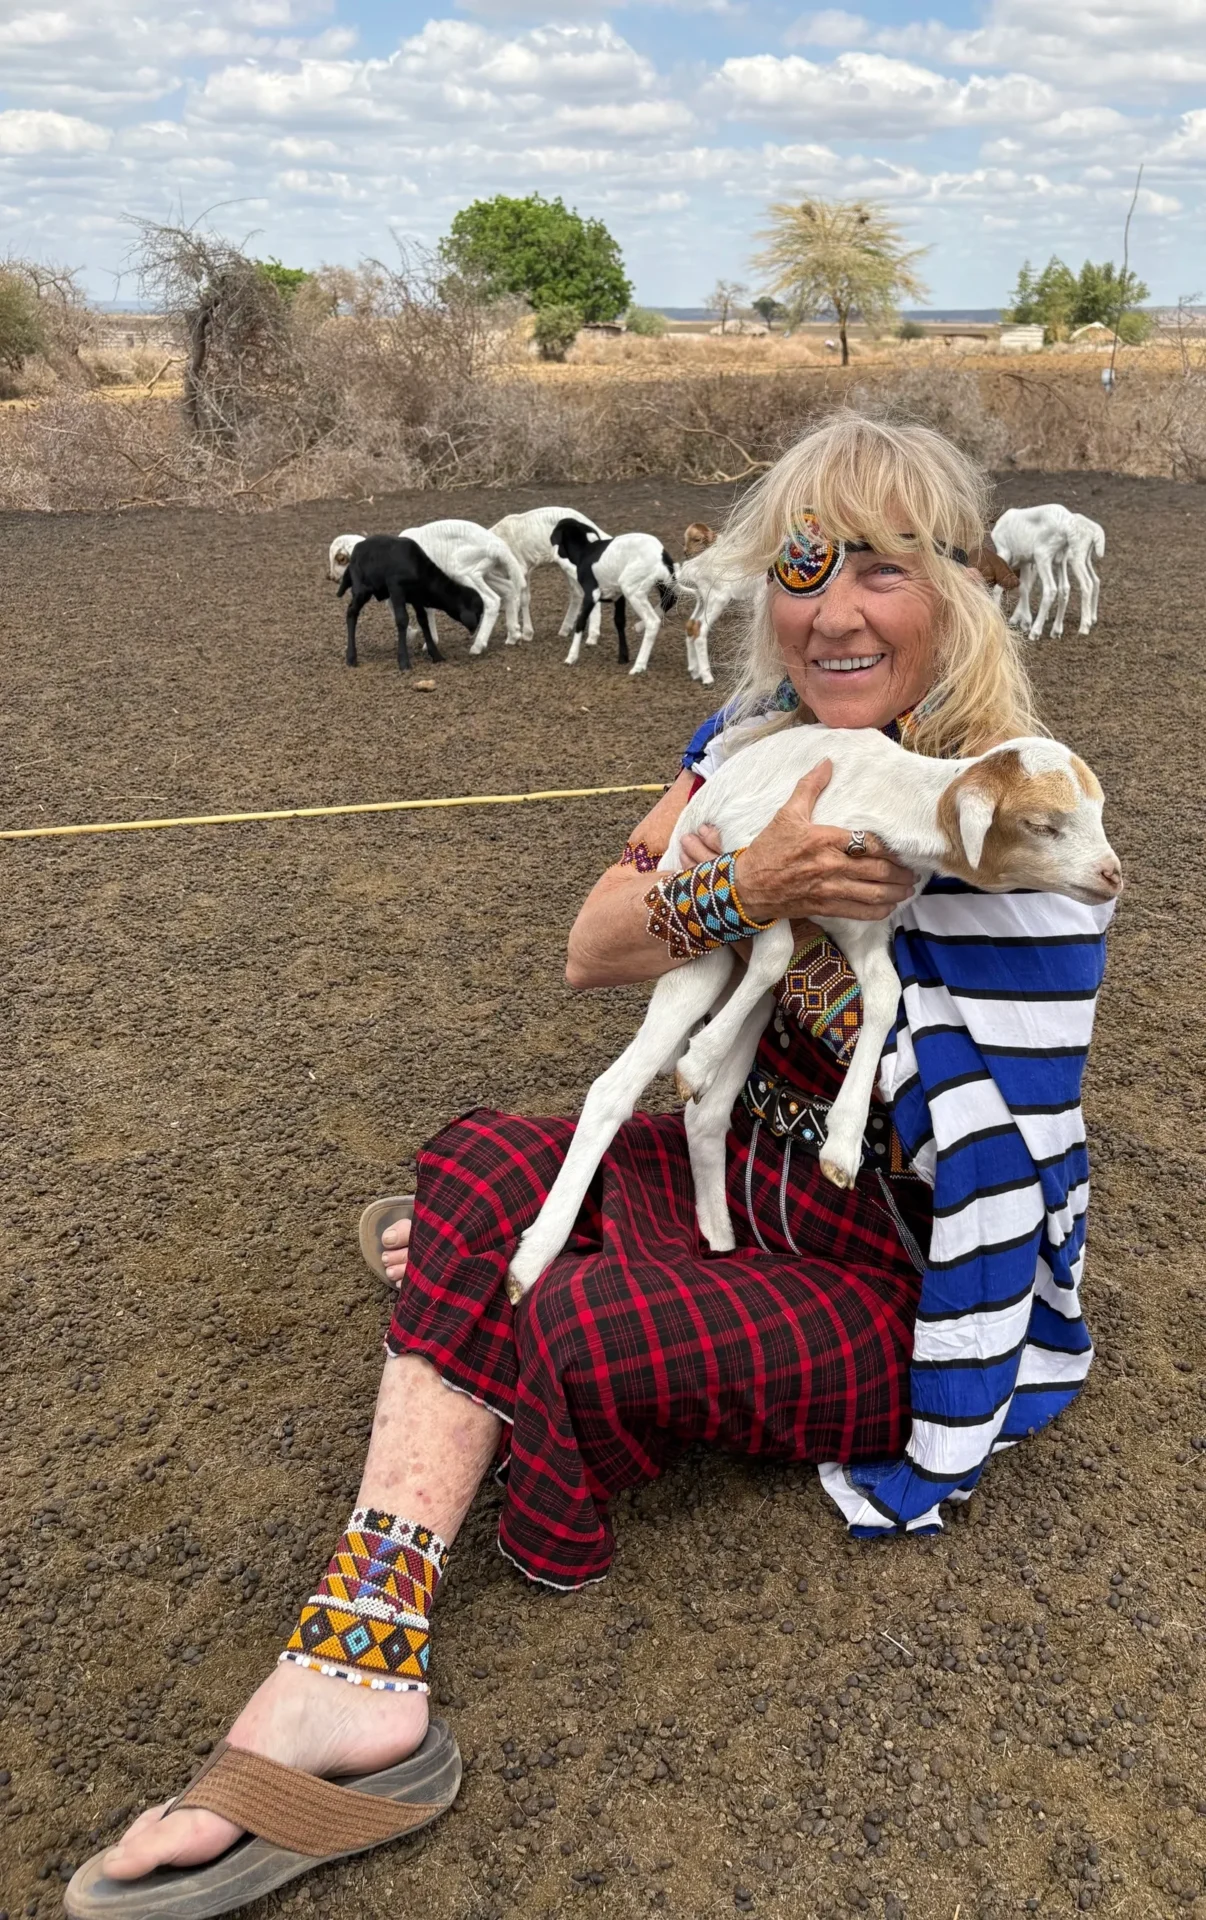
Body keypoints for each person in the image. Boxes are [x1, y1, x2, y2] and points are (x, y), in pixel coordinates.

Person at [68, 414, 1109, 1917]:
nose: (829, 610)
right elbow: (592, 947)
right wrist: (741, 885)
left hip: (889, 1278)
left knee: (552, 1305)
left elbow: (991, 1171)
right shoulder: (749, 753)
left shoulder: (1020, 815)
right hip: (734, 1184)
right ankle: (354, 1650)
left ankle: (403, 1543)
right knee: (490, 1156)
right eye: (798, 568)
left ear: (960, 586)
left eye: (878, 569)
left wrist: (870, 926)